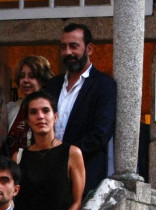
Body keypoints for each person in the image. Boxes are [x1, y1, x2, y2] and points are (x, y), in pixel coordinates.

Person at [44, 22, 117, 192]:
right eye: (63, 47)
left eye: (74, 46)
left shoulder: (104, 85)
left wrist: (63, 155)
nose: (67, 52)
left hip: (84, 179)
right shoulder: (52, 85)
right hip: (48, 178)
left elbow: (100, 134)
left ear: (89, 49)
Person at [13, 91, 86, 210]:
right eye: (34, 112)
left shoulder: (72, 153)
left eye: (45, 110)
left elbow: (77, 202)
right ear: (28, 120)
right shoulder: (18, 156)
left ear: (56, 116)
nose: (40, 116)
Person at [0, 55, 53, 158]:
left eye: (31, 76)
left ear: (42, 80)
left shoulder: (50, 110)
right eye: (22, 76)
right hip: (11, 169)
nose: (25, 80)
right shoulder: (10, 108)